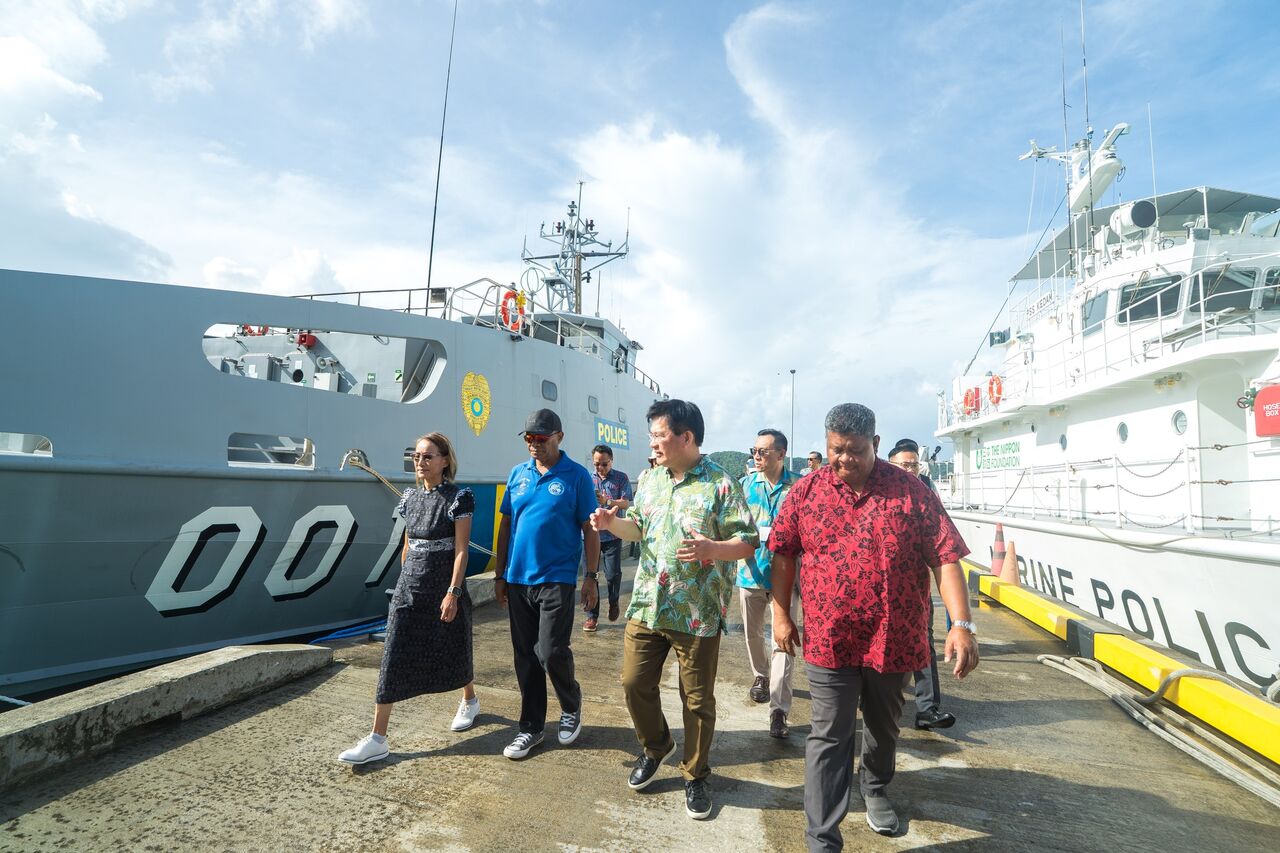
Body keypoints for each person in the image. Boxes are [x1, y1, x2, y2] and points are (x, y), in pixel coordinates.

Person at [770, 403, 979, 848]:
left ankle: (876, 786)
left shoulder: (910, 491)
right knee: (829, 735)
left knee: (884, 727)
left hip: (893, 638)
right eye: (836, 450)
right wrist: (781, 613)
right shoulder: (806, 492)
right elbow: (783, 552)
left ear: (876, 444)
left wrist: (961, 623)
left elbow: (945, 557)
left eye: (856, 451)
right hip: (829, 639)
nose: (844, 459)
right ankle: (822, 838)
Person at [591, 399, 756, 821]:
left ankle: (695, 774)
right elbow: (639, 529)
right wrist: (611, 525)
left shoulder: (720, 484)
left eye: (659, 435)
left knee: (696, 700)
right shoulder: (650, 479)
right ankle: (657, 746)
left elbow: (747, 542)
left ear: (686, 437)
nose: (653, 443)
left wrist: (712, 548)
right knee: (633, 683)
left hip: (698, 612)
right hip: (649, 604)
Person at [338, 432, 479, 765]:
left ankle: (470, 701)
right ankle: (378, 738)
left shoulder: (458, 498)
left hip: (443, 587)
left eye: (428, 456)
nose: (420, 462)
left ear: (445, 461)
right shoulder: (410, 498)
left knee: (454, 644)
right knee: (393, 655)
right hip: (409, 588)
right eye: (416, 456)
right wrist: (404, 582)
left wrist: (453, 592)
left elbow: (461, 550)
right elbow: (407, 545)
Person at [494, 409, 600, 760]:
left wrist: (591, 577)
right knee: (525, 656)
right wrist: (499, 575)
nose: (534, 444)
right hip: (518, 578)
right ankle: (531, 727)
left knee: (551, 651)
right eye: (529, 438)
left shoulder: (577, 476)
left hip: (557, 577)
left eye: (541, 438)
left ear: (559, 437)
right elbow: (506, 525)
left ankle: (570, 703)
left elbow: (590, 530)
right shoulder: (517, 474)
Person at [738, 428, 803, 738]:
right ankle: (760, 675)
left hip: (787, 577)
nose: (757, 456)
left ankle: (779, 710)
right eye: (754, 450)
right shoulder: (745, 485)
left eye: (763, 451)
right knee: (752, 633)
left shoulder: (799, 487)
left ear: (781, 454)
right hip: (750, 571)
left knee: (783, 641)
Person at [888, 438, 953, 730]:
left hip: (916, 583)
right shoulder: (881, 489)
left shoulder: (927, 489)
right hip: (883, 583)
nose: (910, 470)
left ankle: (928, 708)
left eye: (914, 465)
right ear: (891, 464)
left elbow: (941, 535)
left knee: (924, 640)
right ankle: (873, 695)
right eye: (904, 465)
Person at [584, 444, 633, 632]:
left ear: (611, 461)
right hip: (591, 535)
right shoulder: (587, 478)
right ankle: (592, 616)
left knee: (612, 574)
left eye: (604, 464)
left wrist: (608, 501)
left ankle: (613, 601)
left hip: (613, 535)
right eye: (597, 464)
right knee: (590, 576)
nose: (600, 468)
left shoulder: (621, 478)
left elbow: (626, 503)